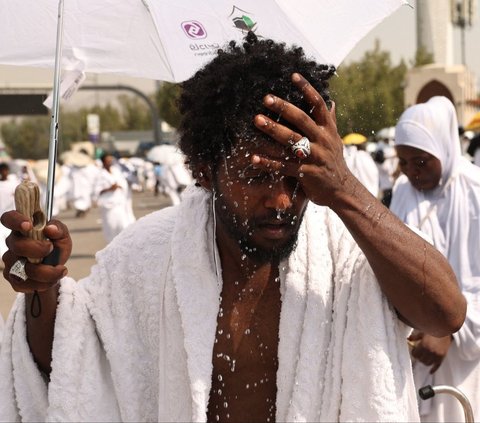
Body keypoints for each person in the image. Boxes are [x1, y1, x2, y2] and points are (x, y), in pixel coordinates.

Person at [0, 34, 465, 422]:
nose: (281, 201)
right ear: (205, 168)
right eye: (258, 177)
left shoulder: (350, 251)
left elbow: (444, 315)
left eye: (295, 179)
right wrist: (42, 291)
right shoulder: (146, 254)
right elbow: (69, 363)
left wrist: (345, 188)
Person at [390, 96, 480, 422]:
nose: (412, 171)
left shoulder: (475, 191)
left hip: (466, 359)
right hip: (413, 353)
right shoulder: (403, 191)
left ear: (443, 149)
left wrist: (449, 329)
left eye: (422, 161)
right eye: (403, 162)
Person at [94, 152, 136, 243]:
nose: (110, 162)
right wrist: (110, 189)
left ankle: (123, 247)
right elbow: (96, 191)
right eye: (107, 161)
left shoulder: (116, 171)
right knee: (111, 228)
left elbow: (123, 182)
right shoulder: (100, 174)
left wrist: (121, 186)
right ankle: (112, 249)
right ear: (103, 162)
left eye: (110, 160)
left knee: (124, 226)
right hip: (108, 206)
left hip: (120, 204)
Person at [0, 162, 19, 260]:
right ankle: (4, 260)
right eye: (2, 171)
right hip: (0, 217)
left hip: (11, 217)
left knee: (12, 239)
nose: (4, 173)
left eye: (6, 170)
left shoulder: (13, 184)